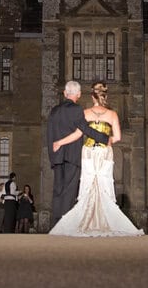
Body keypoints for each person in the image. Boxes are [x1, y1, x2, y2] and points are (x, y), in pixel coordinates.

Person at [49, 81, 143, 237]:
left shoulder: (85, 113)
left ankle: (86, 222)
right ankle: (104, 221)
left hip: (88, 153)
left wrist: (59, 142)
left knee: (87, 187)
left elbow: (77, 135)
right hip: (104, 153)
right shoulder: (112, 114)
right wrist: (106, 140)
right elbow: (118, 137)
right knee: (104, 187)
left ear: (92, 97)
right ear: (104, 96)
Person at [45, 80, 111, 223]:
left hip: (56, 155)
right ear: (79, 94)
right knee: (69, 191)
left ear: (64, 93)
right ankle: (66, 224)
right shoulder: (76, 110)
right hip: (72, 155)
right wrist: (104, 138)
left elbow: (49, 133)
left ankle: (55, 223)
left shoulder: (54, 110)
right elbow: (85, 129)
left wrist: (52, 152)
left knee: (57, 190)